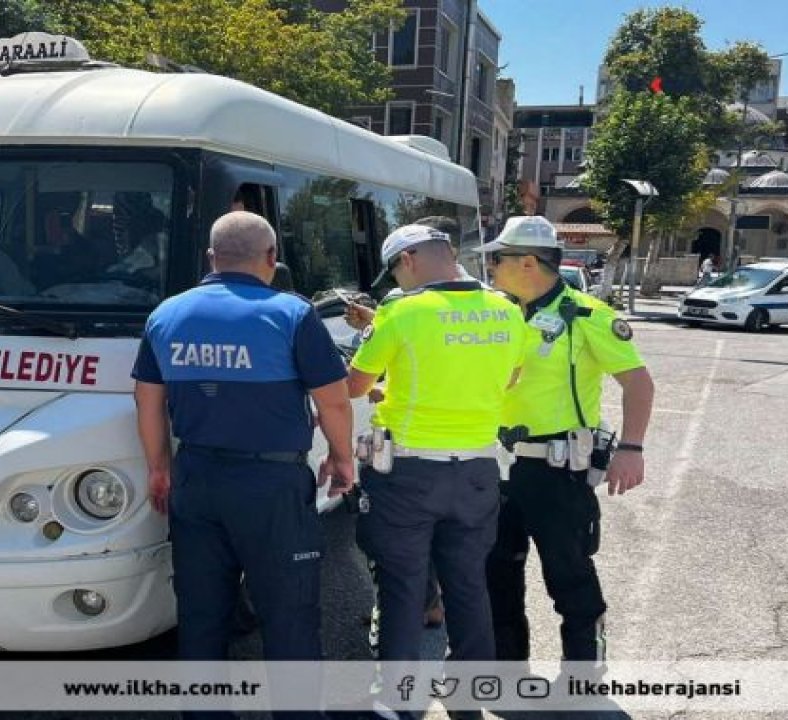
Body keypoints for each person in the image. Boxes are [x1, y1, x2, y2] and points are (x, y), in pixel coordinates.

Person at [131, 211, 355, 716]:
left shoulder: (167, 314)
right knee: (289, 615)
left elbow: (147, 401)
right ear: (271, 259)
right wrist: (342, 460)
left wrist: (159, 468)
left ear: (211, 258)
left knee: (202, 615)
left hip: (196, 478)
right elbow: (335, 403)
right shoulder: (292, 315)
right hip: (272, 485)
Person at [343, 224, 527, 720]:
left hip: (408, 474)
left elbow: (356, 386)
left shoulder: (402, 313)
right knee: (468, 584)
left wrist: (380, 371)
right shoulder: (507, 311)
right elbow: (508, 376)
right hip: (477, 471)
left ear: (408, 261)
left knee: (403, 586)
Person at [474, 215, 655, 665]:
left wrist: (630, 450)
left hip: (556, 473)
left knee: (569, 578)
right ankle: (507, 671)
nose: (491, 268)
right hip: (496, 467)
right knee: (497, 575)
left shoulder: (588, 316)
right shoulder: (498, 314)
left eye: (498, 259)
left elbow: (639, 385)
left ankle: (583, 676)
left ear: (529, 263)